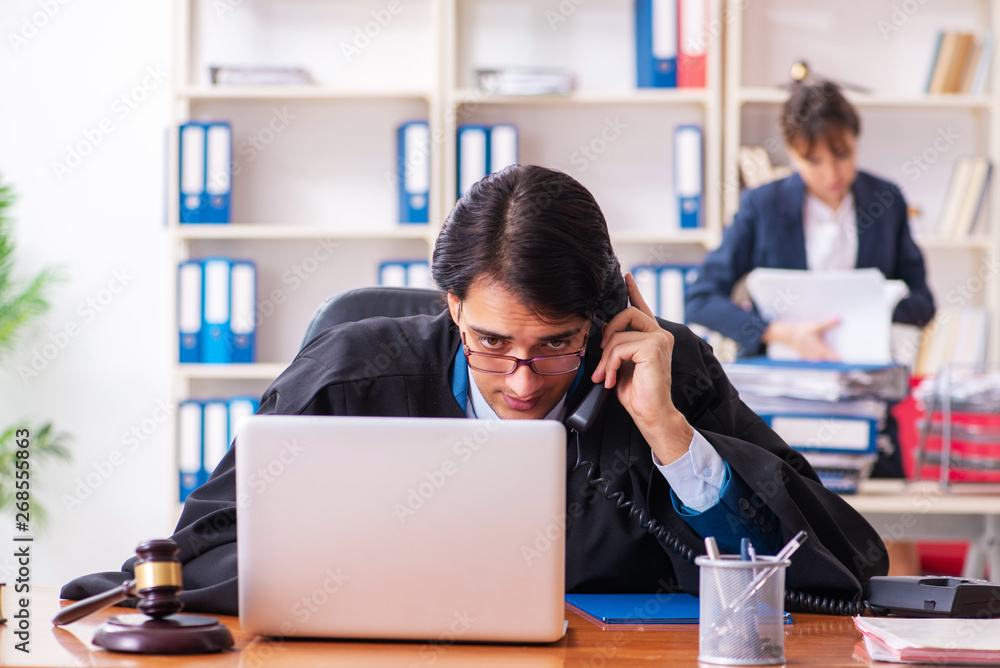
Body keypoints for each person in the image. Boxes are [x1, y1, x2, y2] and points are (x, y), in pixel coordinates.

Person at [63, 164, 888, 616]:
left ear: (610, 312)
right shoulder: (352, 377)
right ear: (450, 303)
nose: (522, 381)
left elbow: (835, 569)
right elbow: (204, 546)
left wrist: (668, 432)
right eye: (492, 343)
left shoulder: (673, 373)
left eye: (555, 345)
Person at [685, 81, 936, 572]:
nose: (831, 172)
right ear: (793, 155)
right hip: (781, 404)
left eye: (841, 155)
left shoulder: (885, 200)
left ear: (855, 140)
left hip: (864, 398)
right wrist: (776, 331)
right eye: (812, 160)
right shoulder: (763, 205)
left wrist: (876, 306)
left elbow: (923, 301)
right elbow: (701, 297)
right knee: (788, 528)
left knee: (891, 527)